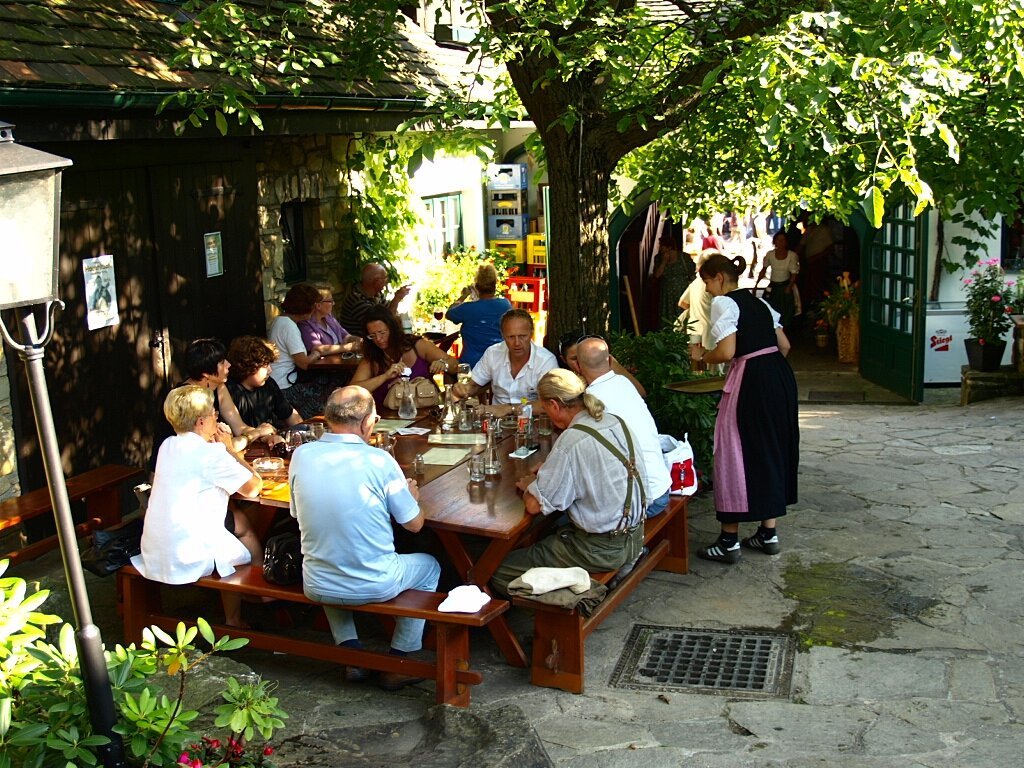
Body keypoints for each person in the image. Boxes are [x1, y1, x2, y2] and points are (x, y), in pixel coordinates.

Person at [289, 386, 440, 689]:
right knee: (431, 567)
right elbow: (414, 525)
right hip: (375, 582)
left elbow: (295, 513)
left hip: (317, 582)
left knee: (331, 554)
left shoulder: (301, 455)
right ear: (367, 422)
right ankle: (400, 660)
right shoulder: (378, 460)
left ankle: (352, 654)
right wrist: (411, 497)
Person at [490, 369, 648, 594]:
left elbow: (534, 505)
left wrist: (531, 485)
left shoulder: (571, 440)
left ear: (554, 405)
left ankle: (580, 595)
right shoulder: (614, 421)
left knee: (497, 570)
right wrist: (552, 471)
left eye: (545, 408)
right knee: (548, 531)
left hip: (601, 550)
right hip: (635, 536)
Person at [689, 253, 799, 563]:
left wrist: (701, 356)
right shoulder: (761, 303)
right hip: (779, 377)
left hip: (751, 379)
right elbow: (785, 345)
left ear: (719, 278)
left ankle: (729, 540)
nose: (707, 289)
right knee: (772, 448)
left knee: (733, 449)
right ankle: (768, 532)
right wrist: (768, 371)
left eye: (707, 281)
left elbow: (727, 351)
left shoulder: (724, 303)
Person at [132, 385, 263, 627]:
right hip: (188, 552)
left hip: (155, 546)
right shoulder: (211, 454)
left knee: (237, 525)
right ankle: (240, 613)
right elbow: (254, 487)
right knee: (240, 545)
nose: (217, 417)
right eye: (214, 413)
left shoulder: (168, 445)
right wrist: (230, 450)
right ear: (201, 422)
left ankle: (242, 606)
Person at [576, 337, 671, 516]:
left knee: (569, 514)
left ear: (578, 367)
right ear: (610, 361)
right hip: (661, 486)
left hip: (642, 501)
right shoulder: (624, 382)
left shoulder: (590, 399)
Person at [148, 338, 255, 474]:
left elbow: (239, 427)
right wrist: (253, 435)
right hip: (175, 471)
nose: (228, 364)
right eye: (222, 362)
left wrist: (265, 434)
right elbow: (214, 448)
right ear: (206, 374)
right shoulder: (188, 401)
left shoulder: (218, 386)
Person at [350, 305, 457, 410]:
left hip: (425, 413)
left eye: (382, 333)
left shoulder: (417, 345)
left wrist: (444, 364)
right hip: (386, 416)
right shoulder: (373, 355)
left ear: (393, 329)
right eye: (372, 335)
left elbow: (455, 364)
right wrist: (385, 376)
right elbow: (353, 390)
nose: (378, 339)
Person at [451, 308, 557, 413]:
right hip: (495, 420)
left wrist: (509, 409)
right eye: (511, 337)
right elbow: (474, 385)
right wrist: (463, 389)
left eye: (522, 336)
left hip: (532, 420)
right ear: (502, 335)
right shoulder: (493, 353)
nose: (517, 343)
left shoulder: (546, 361)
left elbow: (551, 403)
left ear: (531, 334)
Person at [269, 283, 333, 419]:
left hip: (278, 383)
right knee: (332, 385)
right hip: (285, 388)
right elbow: (304, 363)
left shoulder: (280, 321)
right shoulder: (289, 326)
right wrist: (316, 353)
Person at [225, 336, 303, 436]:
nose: (270, 370)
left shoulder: (269, 384)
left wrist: (303, 433)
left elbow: (290, 415)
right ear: (248, 366)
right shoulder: (229, 390)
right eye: (265, 365)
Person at [445, 263, 512, 368]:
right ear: (495, 284)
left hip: (472, 364)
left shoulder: (468, 308)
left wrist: (464, 296)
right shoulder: (505, 305)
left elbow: (449, 313)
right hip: (499, 363)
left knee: (447, 367)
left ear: (476, 286)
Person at [558, 331, 646, 398]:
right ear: (563, 359)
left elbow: (640, 392)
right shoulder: (563, 377)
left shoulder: (606, 362)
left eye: (583, 356)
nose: (580, 361)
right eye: (574, 358)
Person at [337, 262, 411, 333]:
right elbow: (384, 323)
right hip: (363, 340)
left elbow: (388, 312)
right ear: (376, 281)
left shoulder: (377, 294)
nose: (387, 281)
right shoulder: (357, 300)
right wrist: (397, 299)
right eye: (385, 278)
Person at [678, 250, 718, 367]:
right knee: (712, 371)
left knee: (695, 369)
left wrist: (697, 309)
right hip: (710, 334)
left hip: (694, 332)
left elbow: (682, 303)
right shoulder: (714, 285)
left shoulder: (695, 283)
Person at [299, 285, 363, 356]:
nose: (334, 303)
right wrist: (348, 347)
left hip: (340, 359)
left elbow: (344, 336)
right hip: (325, 362)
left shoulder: (328, 317)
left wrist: (360, 340)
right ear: (318, 305)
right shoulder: (305, 324)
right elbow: (318, 349)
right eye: (331, 301)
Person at [756, 232, 800, 327]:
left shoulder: (792, 255)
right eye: (778, 240)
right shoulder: (770, 255)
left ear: (786, 242)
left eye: (783, 240)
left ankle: (786, 329)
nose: (781, 242)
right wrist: (756, 285)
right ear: (774, 242)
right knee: (770, 308)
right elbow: (763, 270)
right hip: (773, 286)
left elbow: (794, 274)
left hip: (786, 287)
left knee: (786, 311)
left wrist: (789, 286)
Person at [653, 235, 695, 330]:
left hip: (681, 290)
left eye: (661, 246)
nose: (659, 248)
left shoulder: (683, 257)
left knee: (682, 313)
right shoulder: (658, 258)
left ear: (669, 247)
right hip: (667, 293)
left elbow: (691, 273)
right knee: (667, 315)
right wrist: (664, 262)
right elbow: (657, 275)